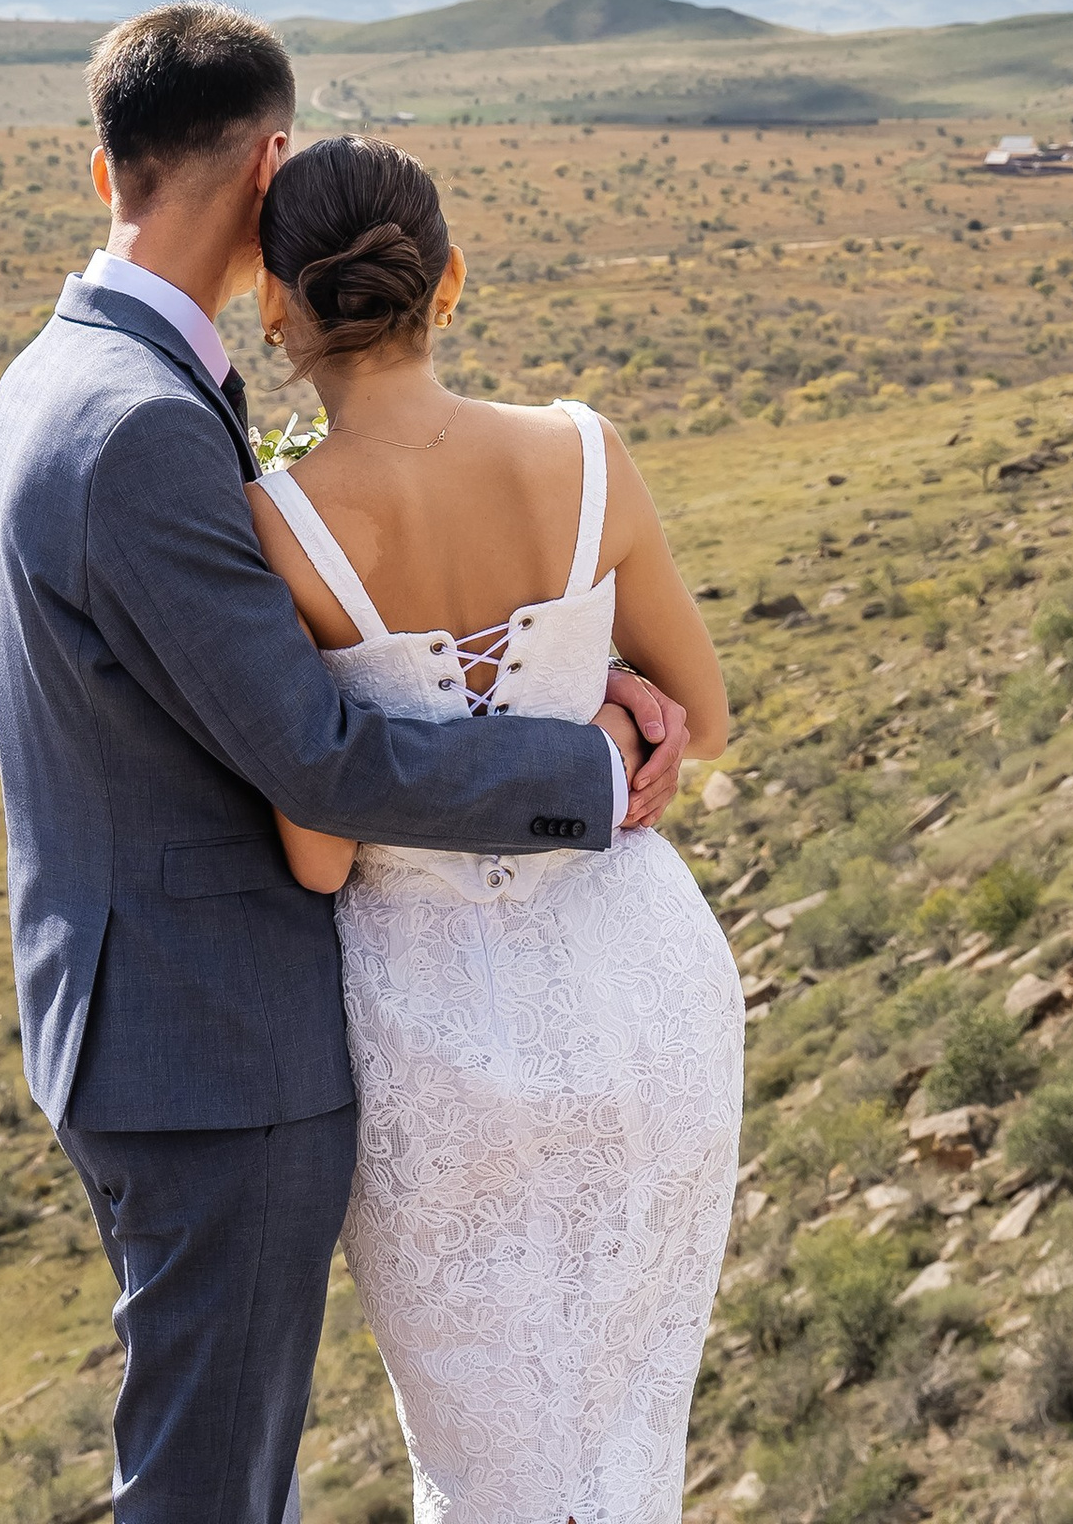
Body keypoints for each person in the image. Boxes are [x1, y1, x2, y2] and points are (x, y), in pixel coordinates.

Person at [0, 6, 690, 1524]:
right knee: (211, 1489)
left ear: (104, 167)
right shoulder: (142, 428)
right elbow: (318, 756)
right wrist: (588, 752)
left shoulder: (65, 375)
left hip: (140, 1014)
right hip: (211, 1044)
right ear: (273, 160)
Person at [249, 133, 742, 1524]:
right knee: (629, 1439)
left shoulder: (276, 522)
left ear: (279, 310)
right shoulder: (585, 450)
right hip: (649, 987)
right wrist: (605, 699)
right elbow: (698, 714)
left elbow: (319, 850)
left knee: (489, 1468)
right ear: (448, 281)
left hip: (443, 1041)